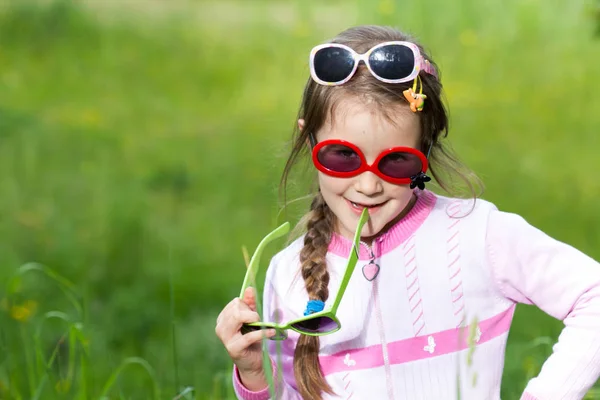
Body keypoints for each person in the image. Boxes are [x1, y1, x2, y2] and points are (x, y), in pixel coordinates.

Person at [214, 25, 600, 400]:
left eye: (396, 161)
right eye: (343, 156)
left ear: (426, 149)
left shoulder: (478, 235)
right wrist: (252, 374)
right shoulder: (288, 273)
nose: (368, 186)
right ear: (308, 138)